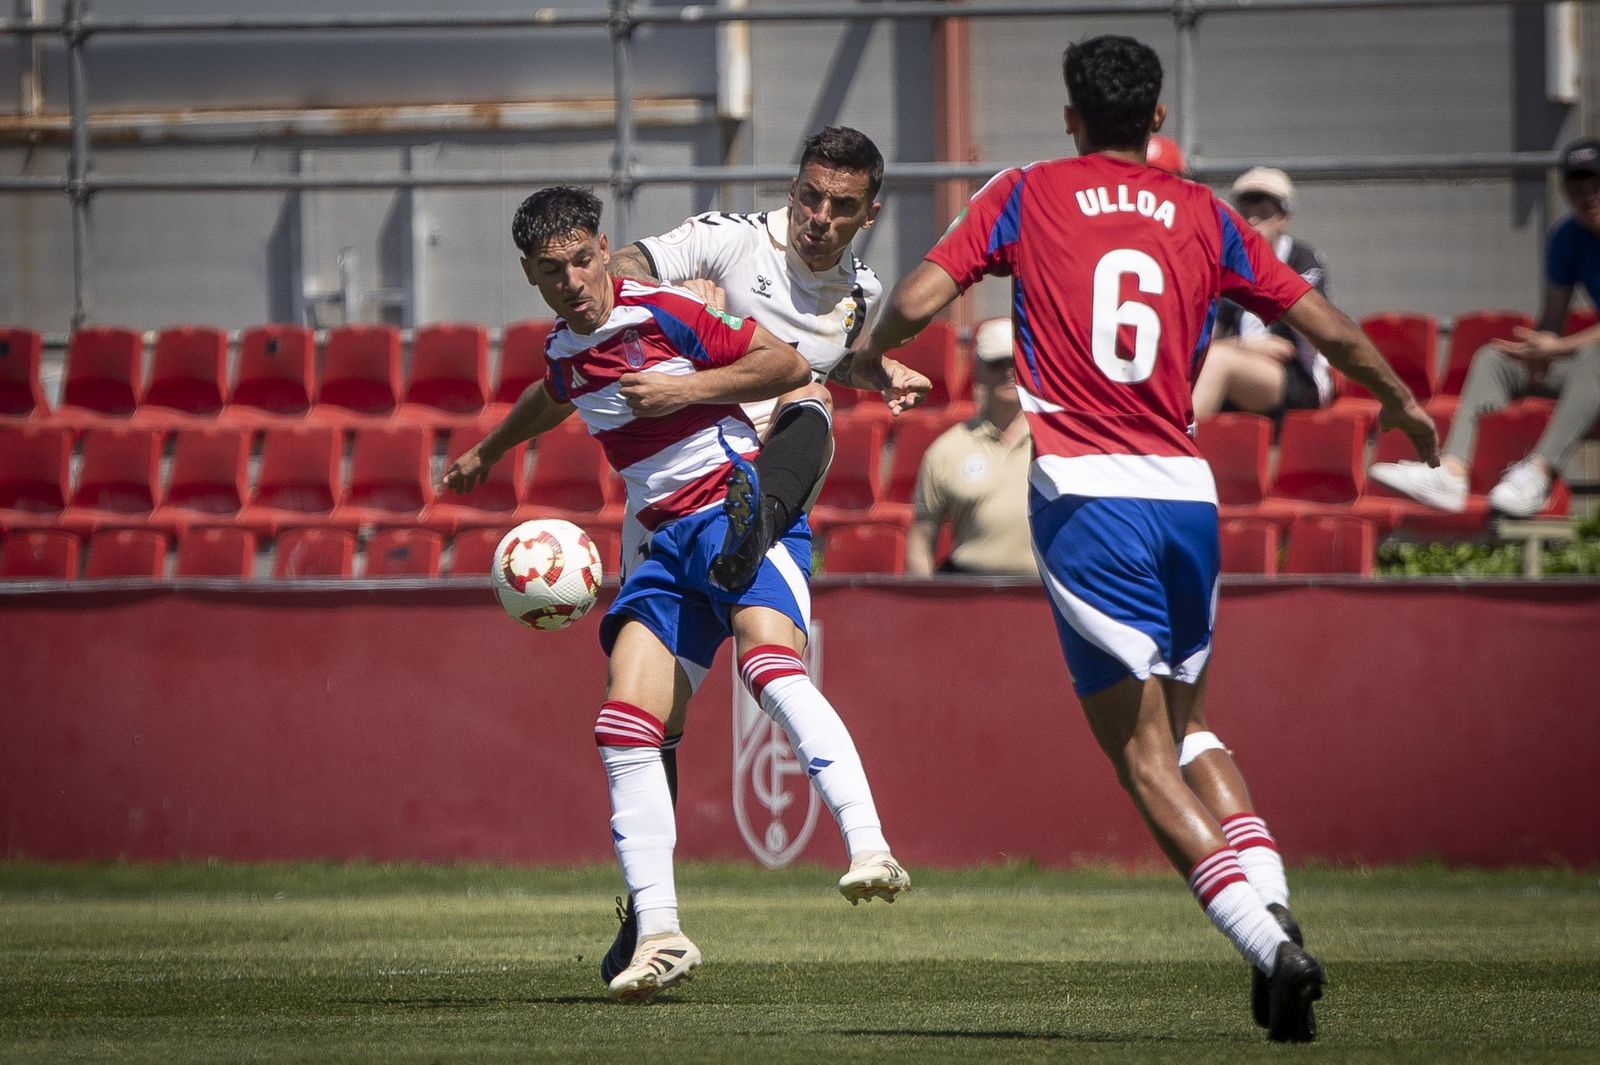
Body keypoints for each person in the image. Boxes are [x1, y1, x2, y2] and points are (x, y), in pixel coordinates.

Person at [851, 35, 1438, 1042]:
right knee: (1194, 723)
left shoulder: (1026, 191)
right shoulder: (1206, 213)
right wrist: (1400, 403)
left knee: (1142, 755)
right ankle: (1271, 896)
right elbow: (1328, 330)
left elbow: (916, 299)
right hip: (1186, 497)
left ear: (1072, 116)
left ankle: (1269, 946)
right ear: (1156, 123)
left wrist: (868, 355)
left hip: (1087, 498)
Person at [442, 186, 911, 1003]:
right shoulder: (565, 349)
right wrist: (487, 453)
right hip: (662, 543)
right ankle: (660, 931)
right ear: (531, 275)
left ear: (604, 248)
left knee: (769, 669)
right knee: (624, 723)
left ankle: (869, 843)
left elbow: (787, 365)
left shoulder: (663, 311)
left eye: (585, 259)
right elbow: (551, 395)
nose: (575, 280)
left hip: (737, 514)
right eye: (554, 271)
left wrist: (683, 392)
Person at [594, 126, 928, 985]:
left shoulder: (862, 289)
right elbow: (618, 267)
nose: (819, 217)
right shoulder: (728, 240)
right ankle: (651, 914)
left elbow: (821, 361)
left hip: (753, 480)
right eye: (809, 196)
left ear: (870, 212)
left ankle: (758, 526)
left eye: (841, 206)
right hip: (671, 496)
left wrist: (876, 371)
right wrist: (647, 283)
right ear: (792, 187)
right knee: (644, 721)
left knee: (809, 401)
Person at [1370, 138, 1600, 517]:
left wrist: (1554, 349)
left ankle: (1538, 475)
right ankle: (1452, 473)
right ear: (1564, 190)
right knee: (1495, 358)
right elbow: (1552, 321)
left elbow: (1568, 345)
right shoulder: (1566, 238)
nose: (1588, 194)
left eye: (1596, 183)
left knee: (1594, 354)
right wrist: (1537, 349)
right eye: (1578, 185)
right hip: (1590, 371)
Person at [1192, 167, 1335, 421]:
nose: (1253, 219)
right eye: (1246, 210)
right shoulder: (1229, 263)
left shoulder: (1301, 259)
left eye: (1263, 211)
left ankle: (1173, 449)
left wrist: (1236, 349)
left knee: (1217, 362)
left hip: (1297, 376)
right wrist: (1246, 346)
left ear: (1283, 217)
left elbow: (1310, 335)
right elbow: (1208, 335)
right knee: (1198, 360)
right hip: (1242, 363)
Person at [905, 317, 1037, 577]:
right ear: (978, 370)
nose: (1009, 371)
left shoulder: (1057, 443)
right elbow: (921, 539)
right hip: (968, 591)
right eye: (997, 363)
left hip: (1044, 594)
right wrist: (924, 611)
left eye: (1016, 361)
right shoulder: (947, 450)